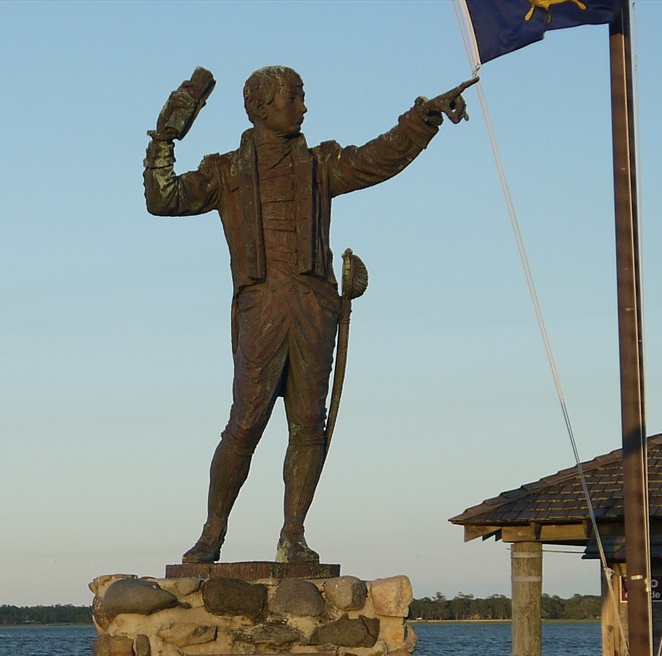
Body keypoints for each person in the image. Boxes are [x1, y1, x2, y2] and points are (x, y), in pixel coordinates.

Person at [146, 66, 471, 564]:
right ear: (260, 108)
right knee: (244, 424)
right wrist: (165, 138)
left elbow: (376, 159)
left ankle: (293, 534)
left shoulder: (321, 165)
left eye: (301, 97)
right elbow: (162, 200)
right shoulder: (225, 172)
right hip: (262, 307)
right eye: (294, 98)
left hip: (315, 308)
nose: (303, 106)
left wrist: (422, 119)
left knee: (307, 425)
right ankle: (212, 534)